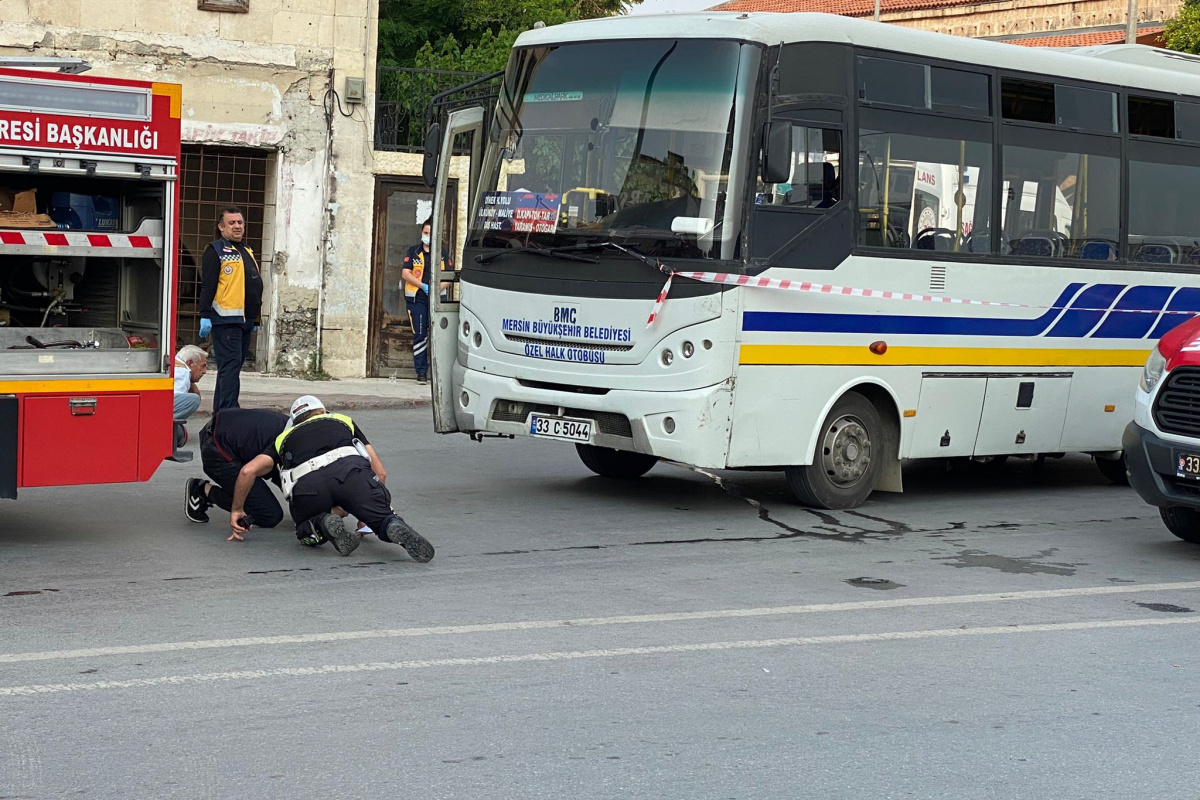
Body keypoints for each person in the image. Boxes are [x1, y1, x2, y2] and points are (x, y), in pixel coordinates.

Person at [228, 395, 435, 562]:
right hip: (352, 476)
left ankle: (321, 523)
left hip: (309, 488)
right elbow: (380, 472)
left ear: (294, 422)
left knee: (304, 529)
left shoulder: (282, 439)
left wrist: (237, 510)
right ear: (323, 411)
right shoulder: (343, 421)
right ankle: (389, 523)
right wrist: (367, 514)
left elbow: (248, 471)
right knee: (381, 517)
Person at [198, 206, 263, 412]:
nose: (237, 226)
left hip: (245, 321)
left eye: (240, 222)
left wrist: (255, 318)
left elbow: (253, 285)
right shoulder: (216, 250)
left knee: (232, 370)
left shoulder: (246, 250)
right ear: (221, 227)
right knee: (230, 368)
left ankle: (222, 414)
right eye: (232, 223)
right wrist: (205, 314)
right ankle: (229, 412)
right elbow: (208, 285)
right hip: (226, 321)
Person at [185, 407, 289, 527]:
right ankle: (202, 490)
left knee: (275, 473)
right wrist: (237, 510)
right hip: (218, 450)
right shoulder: (288, 443)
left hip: (227, 430)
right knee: (269, 515)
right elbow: (247, 472)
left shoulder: (296, 429)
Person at [400, 218, 452, 385]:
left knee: (438, 336)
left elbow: (449, 277)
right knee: (420, 335)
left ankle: (439, 373)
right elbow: (405, 273)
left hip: (437, 299)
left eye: (430, 233)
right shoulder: (413, 251)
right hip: (417, 299)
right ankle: (421, 372)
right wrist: (422, 286)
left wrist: (435, 290)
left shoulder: (442, 253)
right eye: (425, 233)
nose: (427, 236)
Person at [173, 345, 207, 447]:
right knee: (193, 399)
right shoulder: (183, 372)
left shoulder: (176, 364)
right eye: (202, 366)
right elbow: (175, 397)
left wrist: (192, 384)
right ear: (190, 363)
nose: (204, 371)